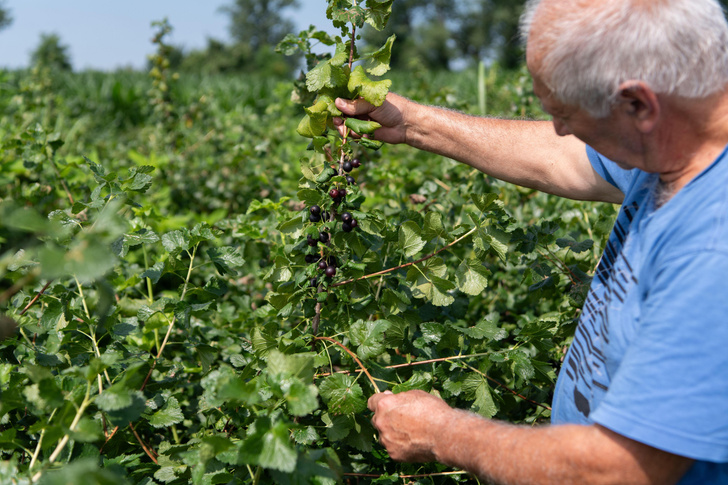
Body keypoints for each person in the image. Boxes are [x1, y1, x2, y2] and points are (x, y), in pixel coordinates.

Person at [333, 0, 728, 483]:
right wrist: (412, 122)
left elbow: (619, 470)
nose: (561, 129)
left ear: (639, 104)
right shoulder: (677, 138)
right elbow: (559, 156)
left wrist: (442, 433)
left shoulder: (714, 250)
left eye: (564, 112)